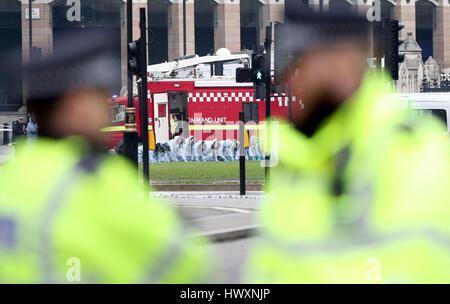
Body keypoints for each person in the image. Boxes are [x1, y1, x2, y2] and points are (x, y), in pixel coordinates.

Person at [245, 7, 450, 283]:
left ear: (343, 62)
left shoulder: (413, 154)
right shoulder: (300, 159)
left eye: (301, 62)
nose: (292, 77)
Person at [0, 32, 211, 283]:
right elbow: (186, 263)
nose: (103, 111)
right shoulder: (93, 182)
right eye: (98, 98)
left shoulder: (12, 178)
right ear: (75, 105)